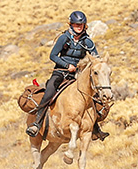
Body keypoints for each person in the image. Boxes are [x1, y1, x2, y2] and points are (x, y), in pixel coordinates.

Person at [26, 11, 108, 141]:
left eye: (81, 24)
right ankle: (37, 123)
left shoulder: (87, 41)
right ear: (71, 24)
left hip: (78, 75)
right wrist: (66, 65)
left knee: (93, 97)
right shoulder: (64, 38)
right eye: (76, 24)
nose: (78, 26)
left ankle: (95, 129)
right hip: (61, 72)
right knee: (49, 93)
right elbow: (52, 56)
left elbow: (95, 58)